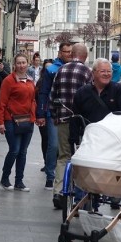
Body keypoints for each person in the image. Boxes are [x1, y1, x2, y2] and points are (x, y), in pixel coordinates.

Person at [50, 42, 91, 207]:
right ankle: (79, 195)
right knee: (82, 157)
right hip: (81, 122)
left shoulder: (61, 70)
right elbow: (91, 97)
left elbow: (53, 96)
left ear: (72, 53)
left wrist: (55, 115)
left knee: (63, 156)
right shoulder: (87, 72)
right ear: (85, 56)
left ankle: (59, 191)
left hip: (63, 119)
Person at [0, 53, 40, 192]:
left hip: (28, 120)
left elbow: (33, 100)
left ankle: (19, 181)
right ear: (15, 65)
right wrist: (0, 123)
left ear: (28, 64)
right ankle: (5, 178)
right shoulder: (9, 81)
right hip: (11, 120)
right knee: (14, 150)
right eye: (19, 63)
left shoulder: (30, 80)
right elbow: (1, 102)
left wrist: (35, 116)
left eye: (24, 62)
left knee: (23, 152)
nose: (21, 65)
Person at [38, 44, 70, 194]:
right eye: (66, 51)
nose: (68, 54)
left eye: (71, 52)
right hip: (54, 113)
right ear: (60, 52)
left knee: (67, 148)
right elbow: (43, 92)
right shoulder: (52, 70)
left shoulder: (74, 67)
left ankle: (66, 177)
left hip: (70, 113)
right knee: (54, 145)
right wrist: (41, 113)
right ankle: (50, 176)